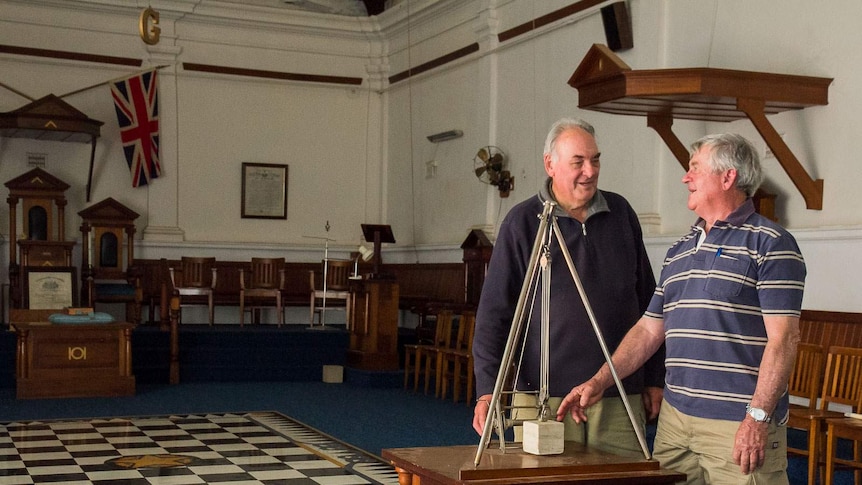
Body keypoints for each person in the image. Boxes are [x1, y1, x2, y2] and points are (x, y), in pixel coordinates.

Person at [557, 133, 806, 484]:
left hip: (735, 425)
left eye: (694, 169)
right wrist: (601, 380)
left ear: (728, 177)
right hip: (676, 423)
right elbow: (648, 330)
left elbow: (784, 341)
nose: (685, 178)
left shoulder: (771, 244)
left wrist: (757, 419)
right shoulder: (680, 249)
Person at [471, 117, 665, 457]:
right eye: (578, 162)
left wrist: (654, 378)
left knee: (620, 482)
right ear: (550, 164)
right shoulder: (522, 222)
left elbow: (650, 303)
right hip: (544, 396)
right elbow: (494, 314)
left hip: (619, 393)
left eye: (595, 159)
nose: (590, 171)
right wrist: (487, 390)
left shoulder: (621, 213)